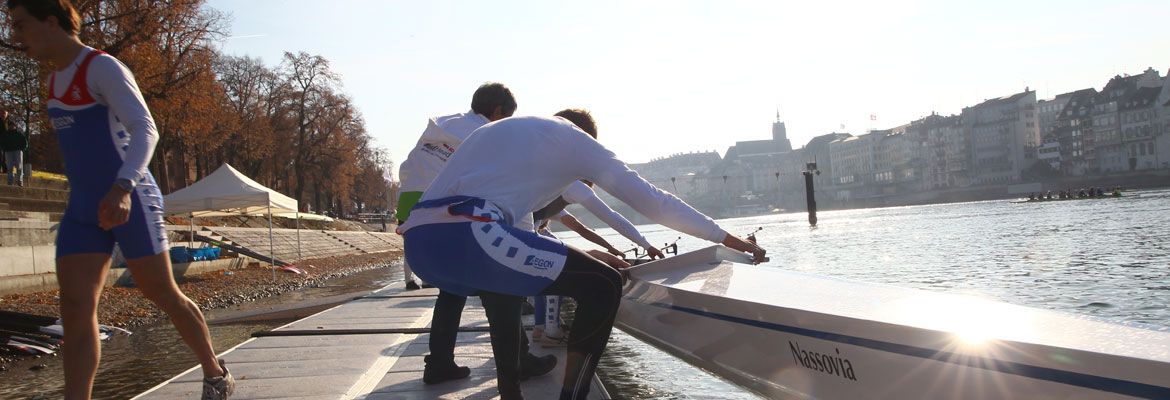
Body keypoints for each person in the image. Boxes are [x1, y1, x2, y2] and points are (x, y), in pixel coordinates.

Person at [398, 109, 765, 399]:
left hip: (421, 246)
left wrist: (584, 253)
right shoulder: (575, 141)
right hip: (471, 233)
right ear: (587, 135)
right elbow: (652, 201)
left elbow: (521, 237)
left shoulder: (501, 134)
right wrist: (728, 239)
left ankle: (511, 392)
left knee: (505, 287)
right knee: (602, 285)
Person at [5, 1, 233, 399]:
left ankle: (214, 372)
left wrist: (122, 187)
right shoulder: (54, 81)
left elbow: (145, 128)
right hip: (83, 210)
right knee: (75, 311)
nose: (14, 36)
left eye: (21, 26)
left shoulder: (101, 67)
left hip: (129, 197)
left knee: (163, 293)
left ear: (50, 22)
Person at [394, 83, 556, 385]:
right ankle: (519, 362)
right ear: (497, 113)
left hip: (416, 215)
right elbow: (509, 191)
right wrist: (526, 242)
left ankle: (439, 363)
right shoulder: (488, 136)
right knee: (500, 285)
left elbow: (409, 169)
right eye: (506, 119)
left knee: (453, 289)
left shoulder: (442, 126)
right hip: (449, 212)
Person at [532, 179, 665, 348]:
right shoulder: (559, 191)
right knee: (553, 271)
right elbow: (609, 217)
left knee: (546, 276)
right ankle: (552, 333)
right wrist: (645, 245)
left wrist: (610, 249)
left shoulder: (548, 203)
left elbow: (582, 230)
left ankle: (540, 329)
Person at [1, 109, 28, 186]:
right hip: (8, 151)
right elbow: (2, 142)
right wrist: (4, 148)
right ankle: (10, 182)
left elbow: (25, 142)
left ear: (15, 126)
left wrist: (22, 148)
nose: (11, 127)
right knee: (10, 168)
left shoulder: (19, 134)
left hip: (17, 151)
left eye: (13, 126)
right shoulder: (6, 135)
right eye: (10, 126)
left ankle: (20, 181)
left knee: (19, 167)